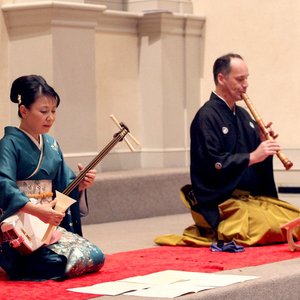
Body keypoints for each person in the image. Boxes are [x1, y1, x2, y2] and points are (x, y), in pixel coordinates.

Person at [154, 53, 300, 249]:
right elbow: (213, 164)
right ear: (221, 79)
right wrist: (252, 156)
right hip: (223, 202)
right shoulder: (206, 117)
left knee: (295, 220)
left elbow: (255, 161)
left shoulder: (243, 115)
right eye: (240, 79)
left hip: (250, 199)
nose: (245, 84)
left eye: (247, 78)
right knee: (270, 227)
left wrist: (262, 145)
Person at [0, 75, 105, 280]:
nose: (51, 117)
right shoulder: (9, 144)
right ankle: (9, 259)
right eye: (44, 111)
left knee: (95, 256)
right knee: (58, 263)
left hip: (46, 228)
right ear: (24, 111)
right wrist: (37, 211)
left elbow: (65, 185)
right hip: (20, 229)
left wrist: (81, 185)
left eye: (54, 111)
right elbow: (3, 184)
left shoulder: (52, 145)